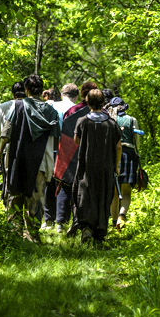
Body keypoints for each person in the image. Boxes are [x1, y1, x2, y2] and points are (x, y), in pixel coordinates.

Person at [0, 73, 60, 242]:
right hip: (40, 160)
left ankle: (14, 233)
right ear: (41, 91)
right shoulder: (50, 111)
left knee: (14, 195)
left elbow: (6, 132)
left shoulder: (18, 106)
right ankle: (32, 234)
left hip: (17, 158)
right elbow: (55, 139)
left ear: (26, 90)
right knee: (35, 199)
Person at [72, 88, 122, 244]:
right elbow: (119, 146)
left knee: (85, 193)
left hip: (86, 165)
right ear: (103, 103)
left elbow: (76, 141)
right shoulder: (111, 123)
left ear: (88, 102)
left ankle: (86, 226)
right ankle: (99, 232)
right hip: (106, 165)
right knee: (104, 194)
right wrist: (116, 166)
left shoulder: (82, 121)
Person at [52, 80, 98, 234]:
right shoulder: (100, 112)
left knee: (66, 185)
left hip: (70, 153)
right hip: (90, 156)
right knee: (86, 188)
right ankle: (82, 222)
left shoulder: (73, 110)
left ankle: (61, 222)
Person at [43, 83, 79, 232]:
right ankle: (61, 221)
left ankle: (48, 219)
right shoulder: (78, 110)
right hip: (69, 152)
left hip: (51, 148)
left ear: (62, 94)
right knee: (65, 185)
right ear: (76, 96)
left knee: (49, 183)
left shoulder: (51, 105)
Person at [107, 95, 140, 231]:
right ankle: (122, 216)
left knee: (114, 192)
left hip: (113, 155)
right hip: (129, 155)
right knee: (126, 192)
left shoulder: (109, 120)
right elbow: (136, 141)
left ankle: (114, 223)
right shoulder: (132, 120)